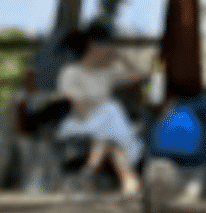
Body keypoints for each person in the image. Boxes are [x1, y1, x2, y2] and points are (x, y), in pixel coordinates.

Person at [56, 21, 146, 200]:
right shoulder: (70, 72)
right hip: (78, 124)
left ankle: (92, 174)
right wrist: (100, 112)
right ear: (92, 47)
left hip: (105, 129)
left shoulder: (107, 74)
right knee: (111, 111)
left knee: (108, 133)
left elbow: (143, 76)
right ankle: (129, 174)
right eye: (106, 46)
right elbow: (78, 109)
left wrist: (120, 57)